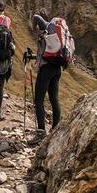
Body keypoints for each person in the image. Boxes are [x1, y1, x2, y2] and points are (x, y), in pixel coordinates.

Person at [30, 11, 67, 142]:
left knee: (38, 100)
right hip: (56, 68)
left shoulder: (46, 27)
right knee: (54, 99)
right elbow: (44, 53)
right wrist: (34, 56)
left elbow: (35, 17)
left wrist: (34, 27)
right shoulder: (53, 36)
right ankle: (56, 129)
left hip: (46, 69)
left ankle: (40, 133)